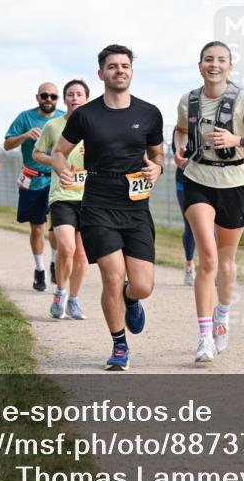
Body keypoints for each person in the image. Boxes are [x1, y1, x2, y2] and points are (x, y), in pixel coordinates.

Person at [51, 45, 164, 370]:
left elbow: (158, 157)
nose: (120, 70)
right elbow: (59, 152)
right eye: (112, 66)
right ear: (101, 74)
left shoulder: (149, 113)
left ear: (131, 71)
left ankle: (132, 298)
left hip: (135, 206)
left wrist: (157, 169)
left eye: (125, 65)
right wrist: (62, 169)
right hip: (98, 202)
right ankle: (119, 346)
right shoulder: (87, 115)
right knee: (112, 278)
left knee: (142, 285)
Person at [173, 41, 244, 363]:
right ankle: (204, 337)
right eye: (208, 59)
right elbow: (179, 131)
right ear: (200, 65)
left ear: (230, 67)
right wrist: (178, 149)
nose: (214, 65)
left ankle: (223, 314)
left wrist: (237, 140)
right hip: (197, 179)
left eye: (221, 60)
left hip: (234, 183)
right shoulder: (188, 100)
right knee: (208, 258)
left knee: (226, 262)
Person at [33, 78, 92, 320]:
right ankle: (60, 292)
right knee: (66, 248)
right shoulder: (54, 126)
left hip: (90, 197)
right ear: (65, 99)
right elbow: (37, 153)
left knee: (82, 255)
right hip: (62, 196)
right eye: (70, 94)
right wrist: (57, 164)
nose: (75, 98)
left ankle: (74, 300)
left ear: (87, 99)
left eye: (79, 94)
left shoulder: (95, 127)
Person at [4, 83, 64, 291]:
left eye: (53, 96)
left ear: (58, 99)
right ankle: (39, 270)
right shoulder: (25, 117)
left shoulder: (65, 118)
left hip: (58, 178)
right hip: (33, 179)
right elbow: (7, 144)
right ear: (37, 97)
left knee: (58, 225)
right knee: (37, 227)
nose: (49, 99)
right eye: (45, 95)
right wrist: (25, 136)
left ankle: (55, 263)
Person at [170, 135, 197, 285]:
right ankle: (189, 264)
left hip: (211, 182)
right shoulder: (180, 130)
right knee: (191, 225)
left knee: (213, 227)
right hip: (185, 182)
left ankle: (211, 266)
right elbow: (179, 159)